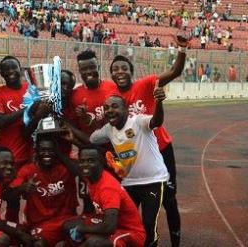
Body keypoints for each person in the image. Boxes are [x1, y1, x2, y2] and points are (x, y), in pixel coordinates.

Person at [109, 34, 189, 247]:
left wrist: (181, 48)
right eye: (115, 69)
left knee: (170, 201)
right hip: (135, 159)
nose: (120, 72)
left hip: (161, 150)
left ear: (131, 72)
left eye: (124, 68)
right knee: (131, 206)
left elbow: (174, 72)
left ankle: (175, 243)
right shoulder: (112, 97)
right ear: (111, 75)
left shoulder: (145, 84)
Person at [86, 91, 169, 247]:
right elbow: (91, 139)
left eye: (114, 106)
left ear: (126, 109)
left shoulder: (138, 122)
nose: (109, 110)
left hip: (153, 181)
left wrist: (159, 101)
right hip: (129, 183)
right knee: (126, 222)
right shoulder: (108, 129)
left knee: (148, 223)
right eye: (106, 108)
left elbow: (156, 121)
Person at [60, 145, 146, 247]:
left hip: (128, 232)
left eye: (90, 161)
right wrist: (57, 151)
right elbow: (74, 167)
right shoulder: (91, 175)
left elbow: (110, 227)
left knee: (94, 243)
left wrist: (81, 229)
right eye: (82, 161)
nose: (85, 165)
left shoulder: (108, 188)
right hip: (105, 222)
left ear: (101, 163)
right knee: (68, 225)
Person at [7, 134, 78, 246]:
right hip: (41, 224)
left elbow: (80, 171)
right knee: (38, 244)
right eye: (43, 150)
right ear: (36, 151)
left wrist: (59, 154)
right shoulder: (28, 170)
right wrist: (22, 188)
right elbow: (8, 195)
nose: (46, 153)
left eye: (51, 150)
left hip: (67, 221)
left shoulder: (66, 168)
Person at [71, 49, 117, 213]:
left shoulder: (112, 88)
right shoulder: (75, 96)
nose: (88, 71)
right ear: (80, 71)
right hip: (88, 157)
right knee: (88, 201)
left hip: (114, 155)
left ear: (98, 65)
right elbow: (72, 127)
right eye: (84, 69)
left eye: (92, 67)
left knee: (113, 198)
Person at [0, 56, 32, 222]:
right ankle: (9, 236)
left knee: (33, 198)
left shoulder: (32, 89)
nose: (10, 72)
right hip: (9, 159)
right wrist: (26, 110)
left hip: (30, 157)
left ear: (20, 69)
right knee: (10, 200)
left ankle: (31, 233)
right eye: (6, 69)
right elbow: (0, 121)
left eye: (13, 67)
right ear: (1, 73)